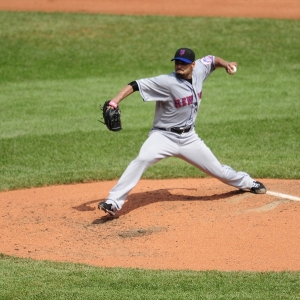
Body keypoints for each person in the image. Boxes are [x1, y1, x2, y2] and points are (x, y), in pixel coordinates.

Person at [98, 48, 267, 216]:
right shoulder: (166, 82)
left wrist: (226, 64)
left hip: (189, 138)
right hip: (163, 136)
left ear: (193, 65)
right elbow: (136, 85)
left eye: (184, 63)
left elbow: (213, 59)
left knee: (218, 170)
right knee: (141, 159)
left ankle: (247, 182)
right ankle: (113, 202)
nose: (179, 66)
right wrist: (114, 102)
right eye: (177, 62)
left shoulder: (200, 70)